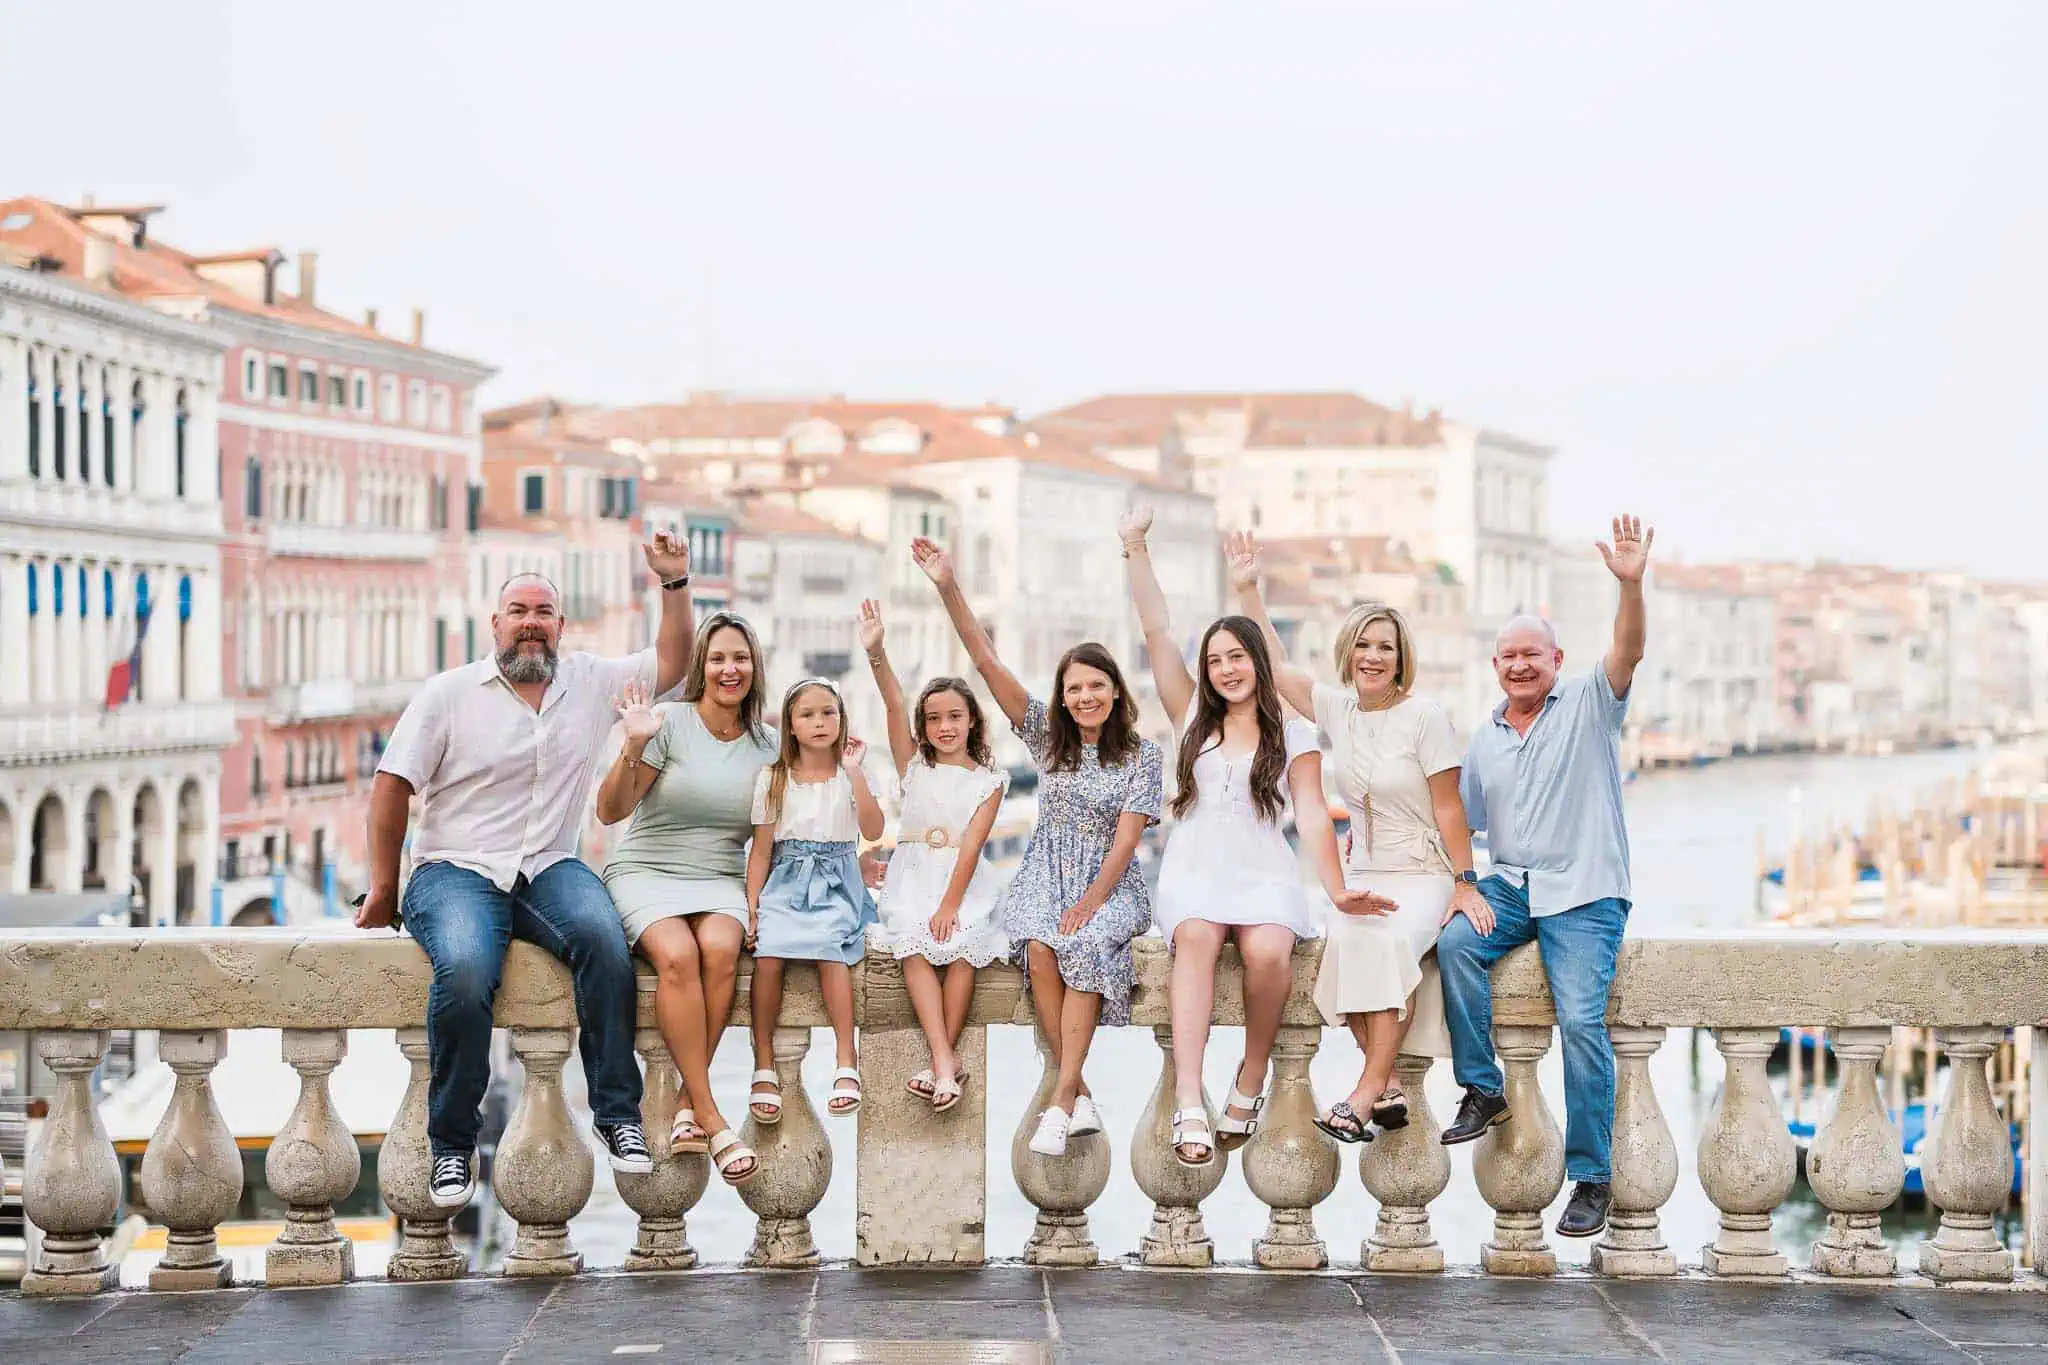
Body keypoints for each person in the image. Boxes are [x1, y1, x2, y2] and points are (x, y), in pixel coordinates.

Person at [358, 536, 698, 1209]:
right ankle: (453, 1146)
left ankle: (618, 1116)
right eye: (518, 609)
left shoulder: (593, 682)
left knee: (606, 942)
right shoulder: (448, 693)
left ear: (561, 627)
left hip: (548, 866)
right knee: (463, 969)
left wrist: (675, 581)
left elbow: (672, 660)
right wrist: (384, 886)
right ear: (496, 624)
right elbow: (391, 783)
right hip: (455, 869)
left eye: (544, 611)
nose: (531, 621)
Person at [1119, 509, 1379, 1168]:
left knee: (1268, 951)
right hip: (1196, 870)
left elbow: (1316, 814)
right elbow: (1155, 626)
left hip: (1264, 872)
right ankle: (1187, 1098)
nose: (1227, 668)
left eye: (1237, 656)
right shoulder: (1189, 719)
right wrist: (1136, 546)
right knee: (1198, 937)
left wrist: (1338, 888)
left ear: (1257, 662)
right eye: (1215, 660)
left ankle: (1251, 1074)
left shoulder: (1291, 729)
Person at [1228, 532, 1488, 1146]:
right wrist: (1247, 588)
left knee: (1390, 941)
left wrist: (1464, 884)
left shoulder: (1426, 717)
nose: (1374, 657)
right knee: (1343, 939)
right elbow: (1273, 662)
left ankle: (1364, 1094)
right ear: (1349, 653)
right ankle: (1391, 1080)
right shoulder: (1337, 710)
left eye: (1386, 649)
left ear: (1401, 660)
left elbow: (1451, 810)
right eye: (1365, 646)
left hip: (1423, 870)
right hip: (1365, 868)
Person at [1437, 513, 1653, 1241]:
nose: (1520, 665)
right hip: (1515, 885)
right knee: (1457, 945)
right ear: (1495, 667)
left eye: (1532, 653)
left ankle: (1592, 1177)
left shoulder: (1591, 702)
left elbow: (1629, 649)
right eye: (1507, 656)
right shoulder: (1486, 739)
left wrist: (1630, 585)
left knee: (1583, 1024)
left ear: (1556, 658)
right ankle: (1482, 1087)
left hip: (1587, 890)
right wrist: (1463, 881)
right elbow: (1456, 819)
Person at [912, 535, 1163, 1159]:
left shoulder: (1143, 756)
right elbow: (988, 663)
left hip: (1109, 880)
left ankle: (1061, 1093)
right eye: (1074, 688)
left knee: (1080, 939)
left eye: (1096, 686)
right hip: (1043, 875)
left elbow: (1128, 843)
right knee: (1041, 946)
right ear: (1063, 694)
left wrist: (1092, 903)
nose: (1084, 697)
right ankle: (1073, 1094)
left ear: (1115, 691)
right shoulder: (1050, 740)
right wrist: (948, 585)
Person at [594, 609, 777, 1187]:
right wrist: (634, 743)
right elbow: (610, 811)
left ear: (755, 668)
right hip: (647, 868)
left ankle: (683, 1100)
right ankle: (713, 1116)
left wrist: (756, 904)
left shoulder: (771, 746)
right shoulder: (667, 723)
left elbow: (769, 843)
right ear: (702, 665)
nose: (730, 669)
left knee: (722, 950)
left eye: (740, 658)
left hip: (719, 875)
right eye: (719, 658)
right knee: (677, 956)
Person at [857, 598, 1011, 1112]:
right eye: (935, 719)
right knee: (915, 947)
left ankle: (943, 1063)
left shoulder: (990, 782)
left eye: (955, 717)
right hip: (913, 873)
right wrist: (877, 653)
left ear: (972, 722)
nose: (945, 727)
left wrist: (950, 904)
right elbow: (894, 704)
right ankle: (945, 1060)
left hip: (961, 879)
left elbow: (972, 845)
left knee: (964, 943)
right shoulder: (914, 769)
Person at [744, 678, 885, 1123]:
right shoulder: (773, 778)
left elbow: (874, 829)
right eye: (807, 714)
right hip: (786, 880)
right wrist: (752, 906)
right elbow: (763, 850)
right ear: (790, 724)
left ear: (842, 720)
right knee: (768, 954)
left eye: (829, 712)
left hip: (837, 881)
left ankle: (847, 1060)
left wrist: (857, 772)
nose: (820, 722)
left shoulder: (851, 774)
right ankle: (763, 1062)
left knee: (831, 950)